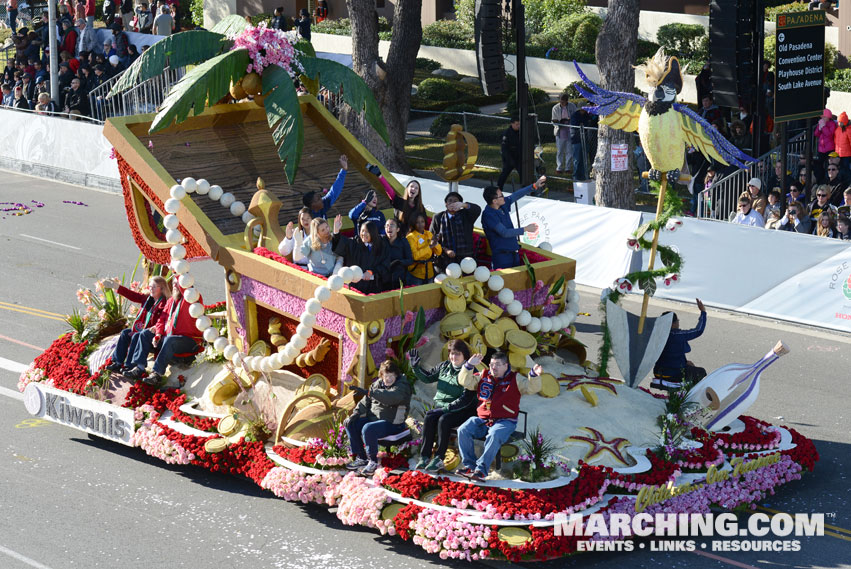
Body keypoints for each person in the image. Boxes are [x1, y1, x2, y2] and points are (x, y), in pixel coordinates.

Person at [456, 351, 543, 481]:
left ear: (506, 366)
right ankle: (470, 466)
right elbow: (465, 382)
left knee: (494, 434)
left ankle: (481, 470)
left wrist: (534, 375)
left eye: (497, 365)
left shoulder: (515, 378)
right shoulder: (484, 375)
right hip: (483, 419)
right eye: (491, 364)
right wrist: (468, 365)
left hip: (505, 421)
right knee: (463, 429)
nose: (493, 368)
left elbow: (530, 387)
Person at [409, 340, 477, 472]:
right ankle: (425, 456)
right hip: (444, 407)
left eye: (457, 354)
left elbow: (466, 399)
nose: (453, 357)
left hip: (463, 410)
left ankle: (439, 458)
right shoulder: (445, 366)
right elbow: (428, 377)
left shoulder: (471, 371)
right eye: (452, 353)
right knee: (429, 416)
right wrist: (416, 367)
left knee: (443, 420)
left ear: (465, 356)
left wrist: (445, 409)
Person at [125, 284, 203, 386]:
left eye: (178, 282)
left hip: (189, 341)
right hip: (169, 339)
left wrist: (179, 273)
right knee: (145, 334)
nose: (174, 284)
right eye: (174, 282)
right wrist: (158, 334)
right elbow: (161, 320)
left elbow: (184, 284)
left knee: (170, 340)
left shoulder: (192, 298)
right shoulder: (170, 300)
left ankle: (157, 374)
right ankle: (139, 368)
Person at [344, 360, 412, 476]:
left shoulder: (402, 386)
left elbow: (391, 397)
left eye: (391, 376)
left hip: (393, 424)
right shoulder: (377, 384)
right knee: (350, 423)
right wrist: (355, 413)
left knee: (368, 428)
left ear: (396, 375)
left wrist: (370, 393)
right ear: (381, 375)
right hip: (375, 420)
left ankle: (373, 462)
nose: (388, 379)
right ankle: (361, 457)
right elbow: (365, 402)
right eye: (386, 376)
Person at [103, 276, 171, 373]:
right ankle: (117, 362)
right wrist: (116, 286)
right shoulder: (148, 298)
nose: (151, 289)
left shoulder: (164, 303)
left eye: (155, 287)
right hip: (141, 329)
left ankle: (130, 365)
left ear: (162, 288)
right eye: (150, 286)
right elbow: (132, 295)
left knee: (137, 336)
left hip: (152, 333)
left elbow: (163, 320)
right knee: (125, 333)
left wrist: (156, 328)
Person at [481, 177, 544, 269]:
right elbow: (504, 232)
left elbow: (516, 195)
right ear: (494, 201)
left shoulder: (501, 205)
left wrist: (534, 186)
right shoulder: (489, 215)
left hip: (514, 252)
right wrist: (525, 229)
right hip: (502, 257)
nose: (504, 197)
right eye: (501, 195)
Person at [651, 299, 707, 390]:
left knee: (688, 365)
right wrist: (703, 312)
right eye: (677, 321)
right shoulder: (677, 335)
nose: (678, 323)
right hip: (674, 374)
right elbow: (698, 330)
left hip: (657, 372)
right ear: (673, 324)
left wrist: (685, 363)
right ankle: (686, 395)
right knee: (701, 372)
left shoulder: (657, 335)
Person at [429, 191, 482, 272]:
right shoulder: (438, 217)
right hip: (445, 260)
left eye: (456, 201)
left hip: (466, 259)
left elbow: (477, 209)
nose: (452, 203)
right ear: (445, 204)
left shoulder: (466, 215)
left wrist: (464, 205)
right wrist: (445, 250)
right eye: (450, 201)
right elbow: (431, 238)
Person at [367, 165, 425, 235]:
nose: (413, 189)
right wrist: (380, 176)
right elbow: (389, 190)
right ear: (407, 189)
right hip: (400, 238)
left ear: (418, 192)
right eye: (411, 186)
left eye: (416, 188)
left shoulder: (420, 208)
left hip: (415, 239)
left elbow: (423, 225)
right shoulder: (400, 202)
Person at [332, 220, 387, 294]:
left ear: (373, 233)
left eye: (367, 231)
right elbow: (340, 244)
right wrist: (336, 231)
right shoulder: (354, 243)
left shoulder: (381, 246)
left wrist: (372, 271)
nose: (364, 234)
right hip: (355, 285)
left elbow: (385, 264)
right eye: (362, 231)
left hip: (374, 285)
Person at [302, 154, 347, 219]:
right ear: (312, 205)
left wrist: (344, 170)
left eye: (320, 197)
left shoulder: (322, 204)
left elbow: (334, 191)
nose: (322, 199)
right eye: (318, 199)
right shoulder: (307, 218)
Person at [406, 210, 441, 285]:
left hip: (430, 273)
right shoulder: (410, 237)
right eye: (417, 222)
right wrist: (430, 246)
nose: (420, 224)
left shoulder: (428, 233)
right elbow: (415, 256)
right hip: (416, 274)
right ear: (413, 223)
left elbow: (439, 252)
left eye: (422, 221)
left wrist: (436, 244)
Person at [381, 218, 413, 290]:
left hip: (400, 278)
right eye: (387, 225)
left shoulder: (403, 241)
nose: (389, 227)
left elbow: (410, 260)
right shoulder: (381, 240)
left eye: (392, 225)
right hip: (384, 278)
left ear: (398, 229)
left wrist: (399, 262)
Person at [551, 93, 576, 175]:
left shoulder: (572, 106)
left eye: (564, 102)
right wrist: (559, 122)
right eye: (561, 101)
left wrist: (570, 119)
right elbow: (553, 120)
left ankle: (568, 168)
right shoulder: (555, 108)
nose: (563, 103)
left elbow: (575, 115)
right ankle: (559, 167)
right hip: (560, 130)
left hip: (570, 129)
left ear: (567, 101)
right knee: (560, 150)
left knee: (569, 150)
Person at [497, 116, 521, 189]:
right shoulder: (507, 133)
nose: (518, 126)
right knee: (505, 173)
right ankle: (498, 188)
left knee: (523, 174)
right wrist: (510, 160)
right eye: (517, 124)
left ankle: (525, 188)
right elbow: (504, 149)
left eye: (519, 124)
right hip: (509, 157)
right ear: (512, 124)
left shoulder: (521, 132)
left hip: (518, 156)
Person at [814, 109, 837, 182]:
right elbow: (816, 134)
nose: (822, 118)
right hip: (821, 149)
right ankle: (820, 179)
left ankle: (828, 179)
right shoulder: (821, 123)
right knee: (819, 165)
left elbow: (830, 135)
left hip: (829, 148)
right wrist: (819, 127)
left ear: (828, 117)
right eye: (822, 117)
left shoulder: (832, 124)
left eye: (824, 117)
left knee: (828, 165)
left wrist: (823, 127)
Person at [570, 107, 591, 180]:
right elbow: (575, 125)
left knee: (584, 158)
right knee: (577, 159)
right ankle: (576, 176)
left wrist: (582, 124)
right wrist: (581, 125)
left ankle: (583, 175)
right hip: (576, 140)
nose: (583, 111)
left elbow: (587, 123)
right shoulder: (574, 115)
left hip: (585, 139)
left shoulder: (586, 115)